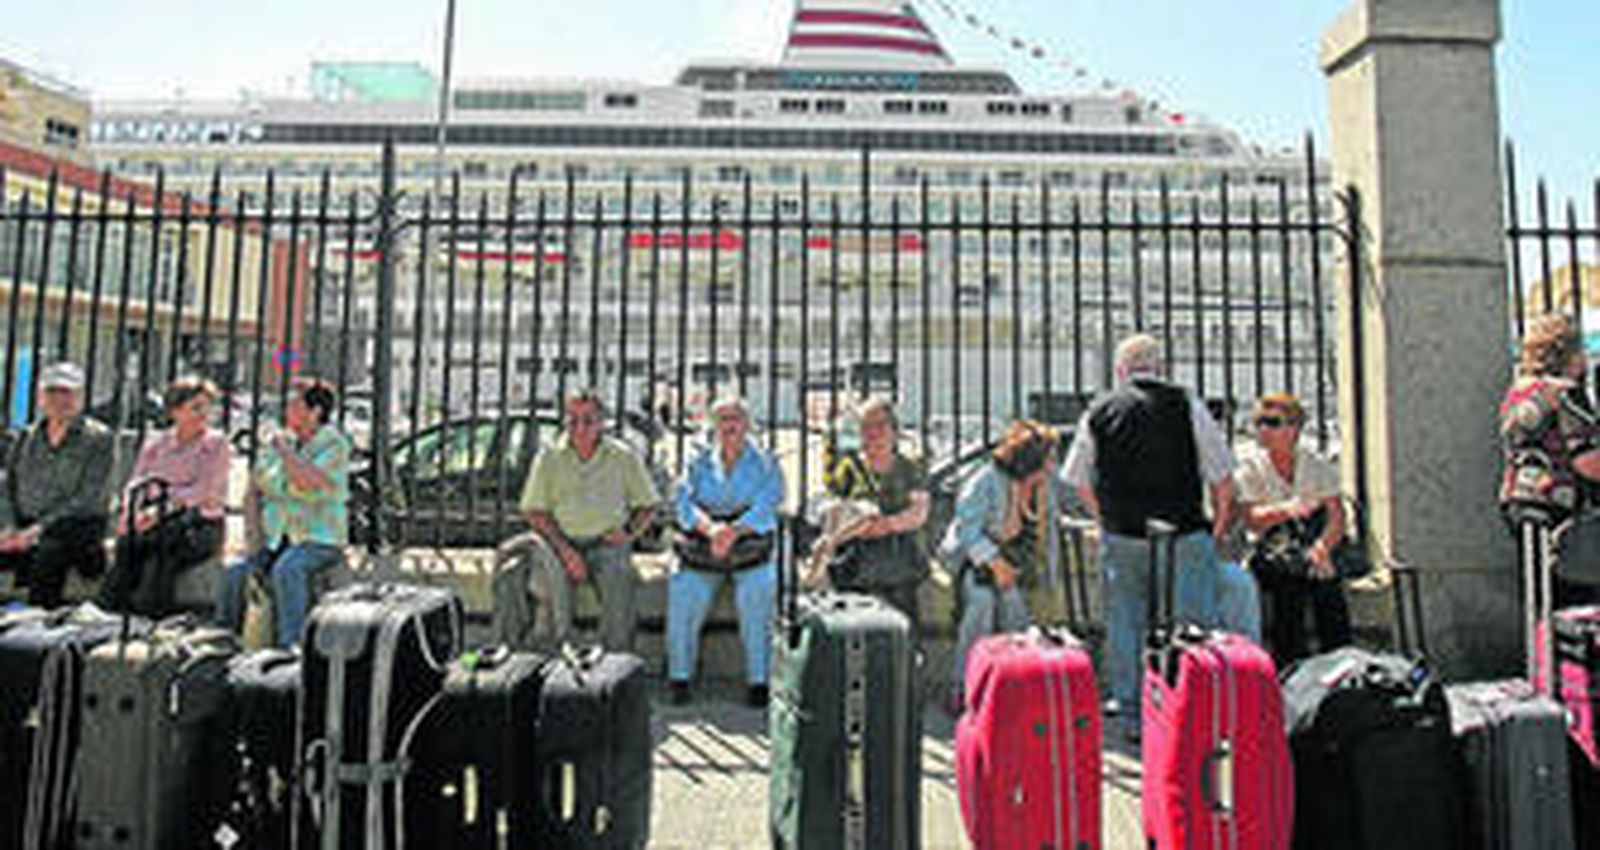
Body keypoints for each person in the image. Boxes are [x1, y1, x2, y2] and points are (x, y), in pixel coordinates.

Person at [1062, 333, 1235, 738]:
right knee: (1190, 621)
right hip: (1183, 529)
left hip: (1123, 533)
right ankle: (1191, 704)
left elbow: (1076, 478)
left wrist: (1105, 518)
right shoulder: (1185, 403)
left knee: (1126, 621)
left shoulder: (1100, 410)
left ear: (1121, 370)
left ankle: (1132, 708)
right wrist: (1219, 525)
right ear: (1160, 368)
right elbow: (1221, 474)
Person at [512, 388, 659, 651]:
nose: (579, 427)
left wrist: (629, 533)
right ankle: (553, 653)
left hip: (607, 543)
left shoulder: (622, 456)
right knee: (538, 579)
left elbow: (648, 505)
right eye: (572, 420)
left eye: (588, 420)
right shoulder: (548, 457)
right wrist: (566, 551)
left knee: (620, 580)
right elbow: (533, 510)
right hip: (560, 541)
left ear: (602, 422)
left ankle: (616, 660)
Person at [941, 420, 1070, 713]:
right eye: (1049, 458)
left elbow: (1049, 530)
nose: (1053, 465)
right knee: (981, 603)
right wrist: (996, 564)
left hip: (1018, 565)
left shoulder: (1044, 486)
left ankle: (1017, 683)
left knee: (1014, 608)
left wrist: (1048, 580)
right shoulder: (986, 479)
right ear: (1030, 459)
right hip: (975, 561)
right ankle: (963, 686)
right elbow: (967, 531)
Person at [667, 395, 783, 707]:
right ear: (713, 425)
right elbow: (682, 502)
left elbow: (769, 501)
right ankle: (680, 677)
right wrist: (712, 530)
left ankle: (759, 680)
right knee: (684, 590)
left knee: (758, 591)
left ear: (747, 424)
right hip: (705, 545)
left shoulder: (766, 461)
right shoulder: (698, 460)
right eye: (723, 419)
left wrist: (733, 531)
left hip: (749, 545)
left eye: (736, 419)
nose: (729, 426)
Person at [216, 378, 349, 648]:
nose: (287, 410)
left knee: (289, 568)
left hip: (318, 538)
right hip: (275, 537)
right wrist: (254, 542)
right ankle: (224, 638)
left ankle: (293, 644)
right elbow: (253, 492)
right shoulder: (277, 442)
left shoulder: (333, 445)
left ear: (315, 412)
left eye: (295, 405)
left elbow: (306, 482)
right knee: (235, 573)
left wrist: (286, 452)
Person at [1235, 392, 1350, 665]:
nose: (1263, 430)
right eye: (1259, 422)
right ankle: (1291, 668)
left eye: (1272, 422)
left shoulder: (1316, 465)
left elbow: (1337, 516)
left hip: (1310, 546)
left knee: (1327, 586)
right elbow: (1250, 518)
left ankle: (1341, 664)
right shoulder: (1252, 468)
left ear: (1294, 428)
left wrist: (1323, 548)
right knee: (1288, 589)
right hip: (1271, 552)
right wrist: (1287, 509)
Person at [99, 377, 230, 616]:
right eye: (196, 407)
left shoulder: (216, 444)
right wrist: (131, 513)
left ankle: (151, 616)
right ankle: (110, 613)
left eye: (207, 407)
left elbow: (205, 489)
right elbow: (136, 481)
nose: (204, 414)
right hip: (153, 516)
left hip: (198, 522)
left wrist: (163, 510)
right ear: (175, 411)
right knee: (128, 545)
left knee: (162, 551)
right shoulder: (157, 442)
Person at [1499, 312, 1600, 606]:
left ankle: (1540, 648)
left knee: (1540, 594)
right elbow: (1586, 461)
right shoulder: (1565, 394)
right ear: (1568, 354)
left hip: (1518, 500)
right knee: (1574, 596)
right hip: (1559, 504)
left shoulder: (1519, 393)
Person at [0, 362, 114, 607]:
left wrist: (37, 530)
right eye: (52, 392)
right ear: (40, 397)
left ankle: (38, 626)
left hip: (75, 528)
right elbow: (7, 487)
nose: (59, 400)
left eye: (67, 393)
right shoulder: (24, 437)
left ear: (80, 397)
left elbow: (88, 497)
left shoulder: (98, 438)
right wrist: (9, 528)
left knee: (49, 551)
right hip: (25, 525)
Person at [818, 396, 930, 631]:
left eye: (881, 425)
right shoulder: (849, 468)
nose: (874, 433)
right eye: (867, 426)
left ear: (894, 430)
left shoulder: (910, 468)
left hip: (898, 559)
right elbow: (833, 508)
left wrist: (886, 525)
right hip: (856, 560)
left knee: (902, 628)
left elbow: (919, 512)